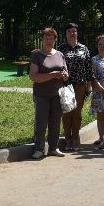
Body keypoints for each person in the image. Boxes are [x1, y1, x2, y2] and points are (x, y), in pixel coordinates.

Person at [27, 27, 68, 160]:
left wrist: (65, 75)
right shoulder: (37, 55)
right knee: (41, 122)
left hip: (57, 94)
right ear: (42, 40)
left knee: (55, 121)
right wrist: (51, 75)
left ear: (55, 40)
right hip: (41, 94)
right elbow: (33, 76)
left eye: (51, 38)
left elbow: (65, 73)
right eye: (46, 38)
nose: (49, 41)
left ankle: (53, 148)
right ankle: (38, 149)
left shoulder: (60, 54)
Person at [57, 23, 92, 150]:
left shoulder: (84, 48)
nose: (72, 33)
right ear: (65, 34)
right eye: (69, 31)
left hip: (80, 85)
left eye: (74, 31)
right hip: (66, 85)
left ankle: (76, 139)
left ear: (77, 33)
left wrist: (89, 84)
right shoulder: (61, 49)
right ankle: (67, 140)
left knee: (77, 113)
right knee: (67, 112)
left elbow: (88, 67)